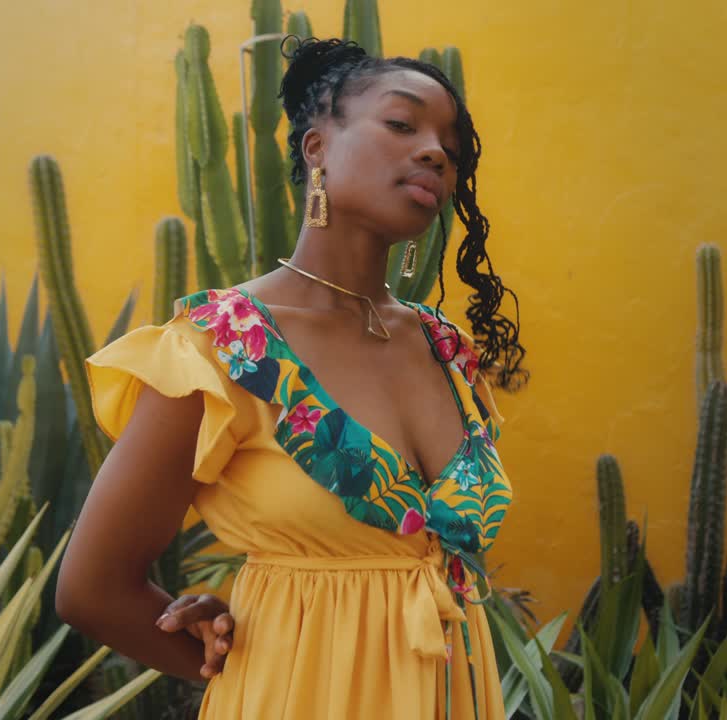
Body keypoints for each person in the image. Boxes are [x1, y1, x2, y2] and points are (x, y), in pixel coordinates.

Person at [55, 35, 528, 719]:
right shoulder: (221, 349)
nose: (433, 152)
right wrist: (222, 653)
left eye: (449, 149)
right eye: (401, 124)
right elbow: (93, 588)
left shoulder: (445, 350)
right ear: (316, 149)